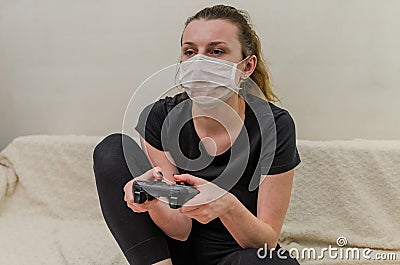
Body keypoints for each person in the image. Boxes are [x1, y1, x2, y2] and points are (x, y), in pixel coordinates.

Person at [93, 4, 301, 265]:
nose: (200, 62)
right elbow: (180, 229)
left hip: (234, 254)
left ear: (246, 67)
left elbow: (265, 242)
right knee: (112, 149)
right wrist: (152, 199)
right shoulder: (159, 117)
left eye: (216, 51)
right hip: (169, 253)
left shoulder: (275, 125)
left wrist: (226, 204)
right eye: (190, 52)